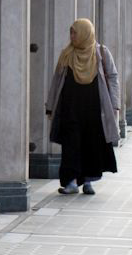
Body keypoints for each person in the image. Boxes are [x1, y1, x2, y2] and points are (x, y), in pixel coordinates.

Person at [46, 19, 120, 195]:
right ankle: (70, 182)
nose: (72, 36)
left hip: (94, 109)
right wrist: (50, 106)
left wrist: (115, 104)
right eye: (71, 33)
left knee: (91, 144)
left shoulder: (101, 53)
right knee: (70, 145)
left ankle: (88, 180)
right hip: (69, 108)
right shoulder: (66, 54)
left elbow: (113, 77)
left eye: (75, 33)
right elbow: (56, 81)